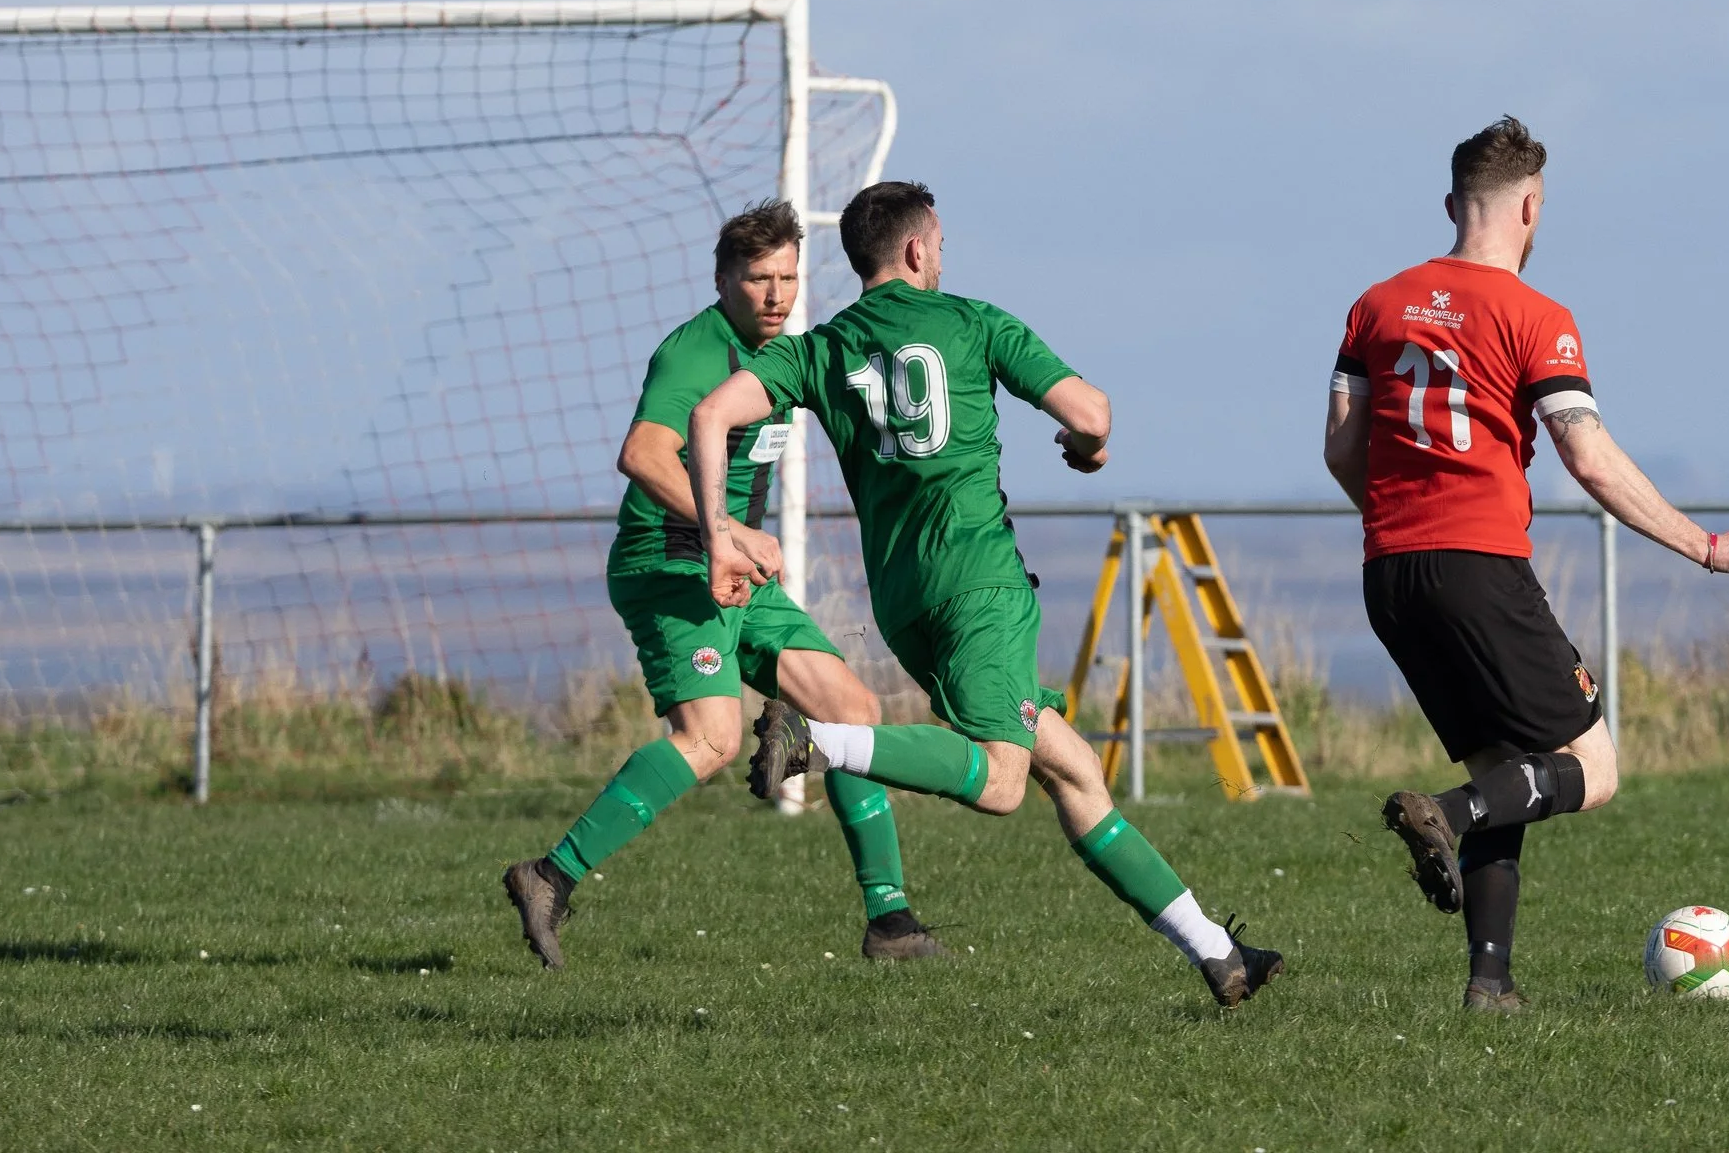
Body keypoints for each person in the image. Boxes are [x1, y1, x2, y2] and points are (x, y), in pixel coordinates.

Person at [683, 181, 1284, 1008]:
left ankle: (1219, 953)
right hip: (981, 586)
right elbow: (1093, 411)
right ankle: (822, 742)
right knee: (1003, 784)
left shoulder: (818, 350)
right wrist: (1085, 446)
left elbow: (712, 414)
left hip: (905, 605)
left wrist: (718, 524)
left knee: (1074, 773)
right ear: (920, 250)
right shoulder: (971, 322)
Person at [1324, 117, 1729, 1010]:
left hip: (1390, 574)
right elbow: (1590, 457)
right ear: (1531, 207)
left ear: (1454, 205)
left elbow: (1342, 449)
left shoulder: (1375, 304)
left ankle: (1489, 984)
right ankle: (1443, 817)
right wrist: (1706, 547)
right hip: (1478, 568)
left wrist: (1400, 521)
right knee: (1593, 770)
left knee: (1507, 768)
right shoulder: (1536, 316)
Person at [501, 200, 939, 970]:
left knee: (852, 713)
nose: (776, 295)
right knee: (710, 740)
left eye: (789, 278)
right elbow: (641, 453)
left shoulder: (787, 351)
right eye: (759, 279)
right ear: (723, 280)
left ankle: (891, 923)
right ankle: (549, 876)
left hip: (732, 567)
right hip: (669, 564)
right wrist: (723, 532)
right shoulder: (695, 354)